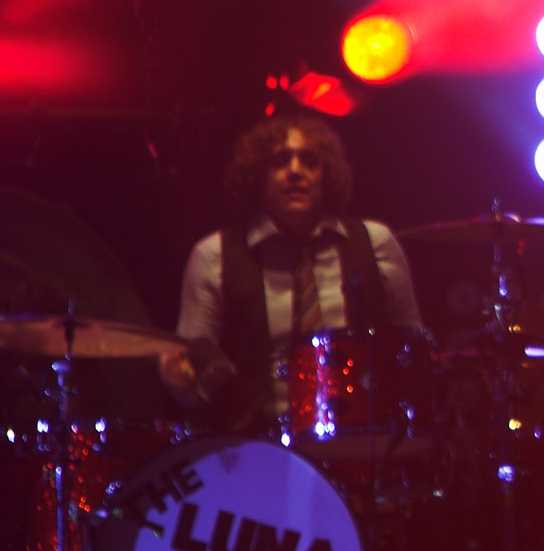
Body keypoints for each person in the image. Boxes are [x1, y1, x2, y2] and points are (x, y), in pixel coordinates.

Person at [160, 113, 423, 432]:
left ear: (327, 175)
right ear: (257, 176)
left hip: (363, 437)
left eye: (309, 161)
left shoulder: (375, 242)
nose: (295, 172)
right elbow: (191, 374)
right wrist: (181, 380)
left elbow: (413, 346)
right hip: (256, 442)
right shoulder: (215, 255)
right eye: (280, 161)